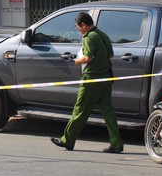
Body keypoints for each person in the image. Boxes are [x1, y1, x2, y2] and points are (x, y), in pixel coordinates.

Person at [51, 12, 124, 153]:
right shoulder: (103, 35)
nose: (78, 30)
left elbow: (87, 58)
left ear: (83, 25)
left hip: (91, 79)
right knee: (108, 112)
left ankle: (67, 140)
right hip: (105, 79)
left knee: (80, 110)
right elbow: (110, 54)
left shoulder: (89, 37)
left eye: (78, 27)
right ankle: (116, 143)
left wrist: (77, 60)